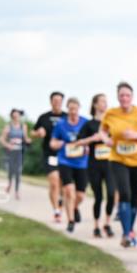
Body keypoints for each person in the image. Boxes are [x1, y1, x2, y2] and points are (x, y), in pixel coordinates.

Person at [103, 82, 137, 247]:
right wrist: (105, 139)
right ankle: (126, 233)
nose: (124, 98)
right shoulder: (110, 113)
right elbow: (102, 131)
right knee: (125, 194)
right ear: (117, 97)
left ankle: (129, 231)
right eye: (121, 95)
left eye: (127, 95)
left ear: (132, 97)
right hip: (118, 159)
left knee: (135, 197)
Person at [50, 97, 97, 233]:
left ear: (79, 108)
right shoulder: (61, 124)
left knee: (81, 195)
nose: (73, 111)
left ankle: (75, 207)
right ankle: (71, 220)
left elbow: (93, 140)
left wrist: (88, 146)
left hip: (82, 162)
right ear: (67, 109)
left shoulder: (85, 123)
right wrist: (57, 144)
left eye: (75, 109)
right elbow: (52, 142)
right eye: (70, 109)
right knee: (69, 191)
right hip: (65, 161)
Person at [83, 94, 115, 238]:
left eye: (106, 101)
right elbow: (78, 142)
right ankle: (96, 226)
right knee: (99, 197)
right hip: (94, 165)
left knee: (111, 194)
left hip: (110, 164)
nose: (105, 104)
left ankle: (107, 224)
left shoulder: (112, 123)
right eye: (102, 101)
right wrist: (92, 138)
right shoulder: (89, 124)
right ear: (95, 104)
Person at [33, 92, 66, 222]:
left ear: (62, 102)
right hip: (49, 154)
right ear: (51, 101)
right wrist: (38, 133)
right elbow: (33, 132)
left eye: (59, 100)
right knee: (54, 182)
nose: (57, 102)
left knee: (63, 184)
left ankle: (61, 201)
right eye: (55, 100)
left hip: (65, 155)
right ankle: (56, 211)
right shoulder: (44, 117)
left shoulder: (66, 117)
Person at [0, 109, 31, 199]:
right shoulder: (8, 127)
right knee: (10, 171)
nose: (16, 117)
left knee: (18, 172)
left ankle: (17, 191)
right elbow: (1, 139)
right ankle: (9, 184)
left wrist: (28, 140)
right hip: (10, 152)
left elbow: (25, 138)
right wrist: (7, 145)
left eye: (18, 116)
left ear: (20, 116)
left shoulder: (23, 126)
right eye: (14, 116)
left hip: (19, 152)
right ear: (12, 117)